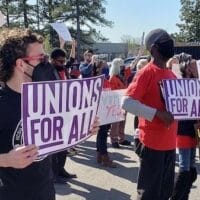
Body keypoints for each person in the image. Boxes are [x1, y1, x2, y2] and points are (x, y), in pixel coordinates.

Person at [0, 28, 99, 200]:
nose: (47, 63)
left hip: (46, 191)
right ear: (21, 64)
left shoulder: (48, 98)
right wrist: (6, 160)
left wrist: (84, 127)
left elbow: (61, 133)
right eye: (41, 59)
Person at [121, 28, 177, 200]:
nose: (170, 43)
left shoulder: (172, 75)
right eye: (165, 40)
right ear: (153, 49)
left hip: (170, 144)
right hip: (152, 144)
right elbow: (127, 102)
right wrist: (158, 114)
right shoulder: (147, 72)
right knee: (149, 194)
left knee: (164, 192)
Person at [170, 53, 198, 200]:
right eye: (191, 65)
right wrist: (174, 63)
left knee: (192, 168)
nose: (193, 67)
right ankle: (176, 197)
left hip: (195, 129)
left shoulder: (196, 82)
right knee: (185, 168)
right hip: (182, 129)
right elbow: (171, 67)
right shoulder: (177, 80)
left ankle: (184, 195)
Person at [96, 61, 116, 168]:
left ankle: (100, 154)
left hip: (104, 110)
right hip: (102, 111)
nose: (106, 68)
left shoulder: (103, 81)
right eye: (104, 67)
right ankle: (104, 158)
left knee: (101, 133)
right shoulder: (101, 81)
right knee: (103, 134)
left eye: (107, 67)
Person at [109, 58, 131, 148]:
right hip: (116, 101)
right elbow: (112, 92)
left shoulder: (121, 75)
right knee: (116, 122)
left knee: (123, 121)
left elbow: (131, 68)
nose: (123, 66)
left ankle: (121, 138)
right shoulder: (113, 78)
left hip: (123, 100)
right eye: (121, 65)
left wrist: (138, 56)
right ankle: (114, 139)